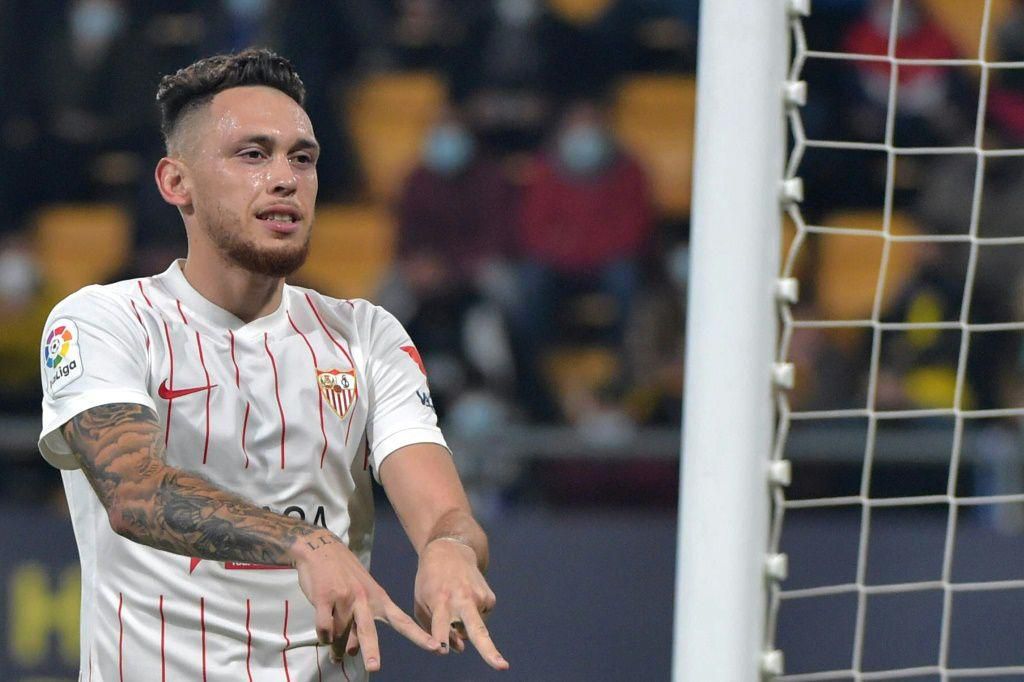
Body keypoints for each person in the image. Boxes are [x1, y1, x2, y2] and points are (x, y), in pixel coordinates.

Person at [37, 48, 507, 681]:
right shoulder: (103, 321)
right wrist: (302, 541)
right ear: (177, 183)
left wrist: (450, 548)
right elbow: (133, 492)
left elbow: (444, 512)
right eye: (253, 155)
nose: (286, 178)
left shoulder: (367, 335)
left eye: (302, 158)